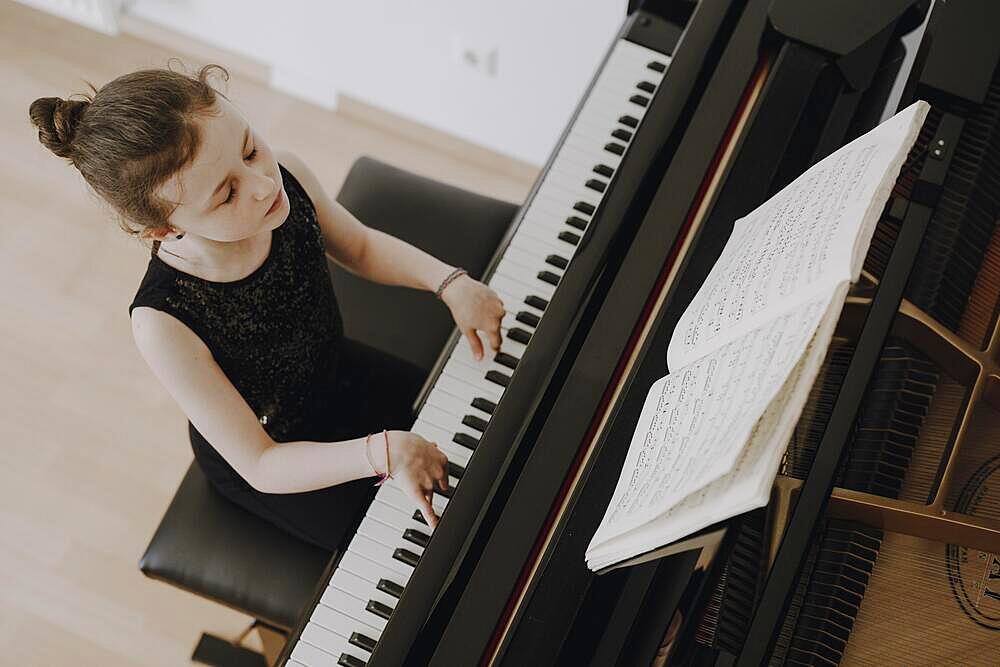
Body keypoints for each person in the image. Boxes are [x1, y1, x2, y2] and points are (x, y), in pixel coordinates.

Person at [28, 62, 507, 551]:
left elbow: (359, 247)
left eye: (250, 148)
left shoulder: (289, 176)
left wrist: (450, 283)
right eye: (227, 194)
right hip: (280, 453)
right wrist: (382, 452)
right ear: (165, 229)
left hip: (339, 369)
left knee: (499, 439)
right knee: (436, 547)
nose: (262, 183)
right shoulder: (162, 322)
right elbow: (260, 463)